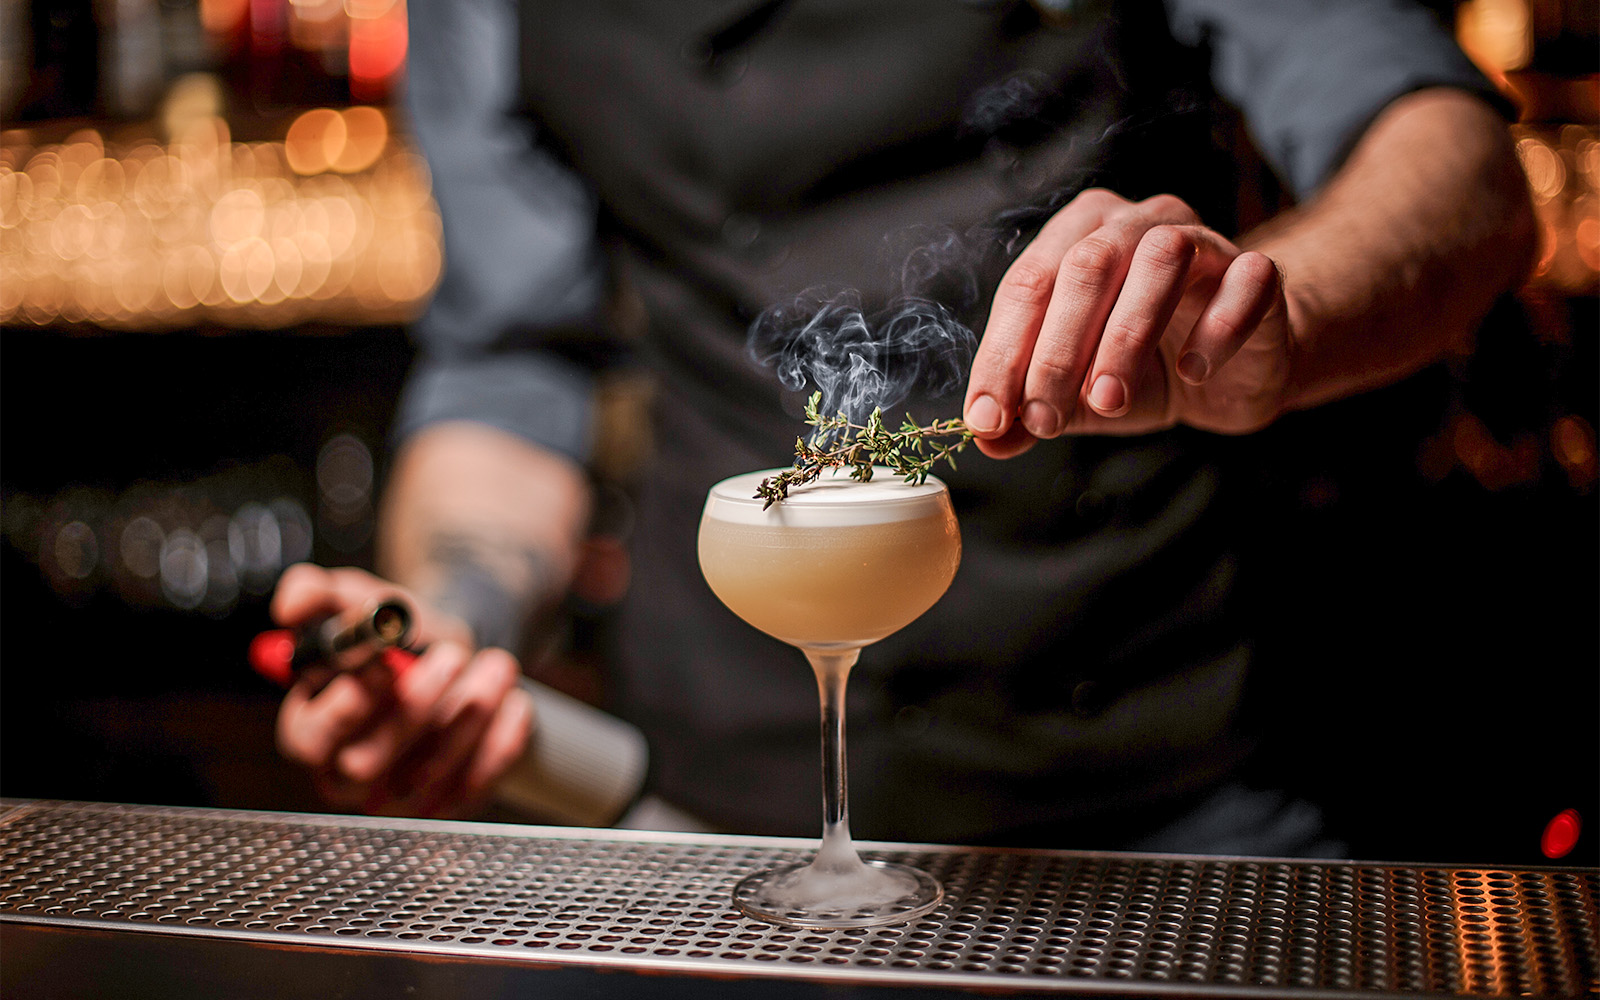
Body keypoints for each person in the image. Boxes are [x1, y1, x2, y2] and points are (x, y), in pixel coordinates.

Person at [269, 0, 1534, 852]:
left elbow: (1457, 166)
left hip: (1171, 789)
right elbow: (508, 366)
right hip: (715, 809)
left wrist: (1273, 324)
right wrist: (449, 629)